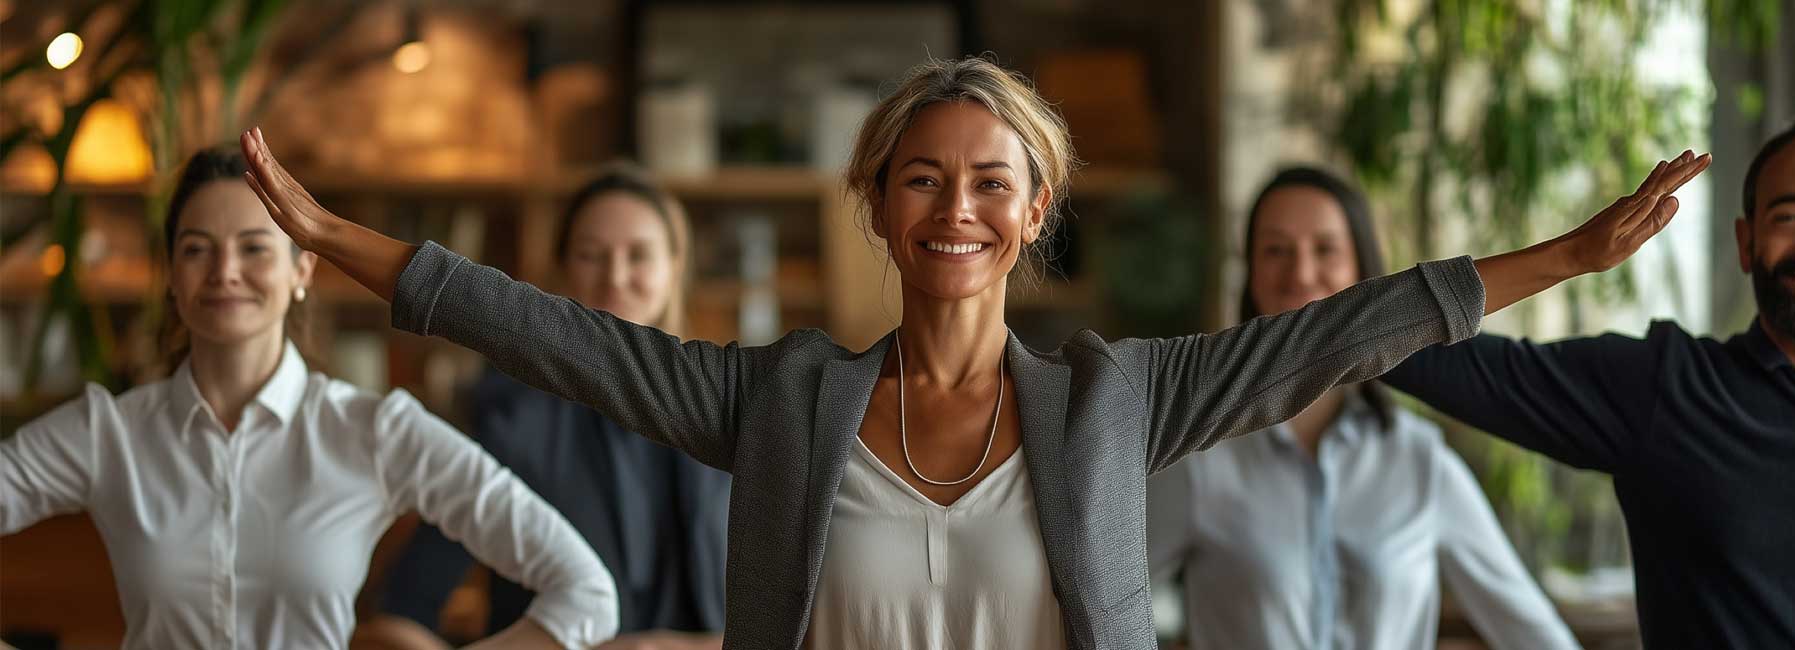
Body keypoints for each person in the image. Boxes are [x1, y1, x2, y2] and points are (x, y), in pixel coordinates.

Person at [236, 57, 1705, 649]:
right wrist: (335, 238)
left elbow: (1345, 325)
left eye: (989, 180)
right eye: (922, 177)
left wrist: (1560, 261)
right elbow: (549, 336)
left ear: (1032, 212)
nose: (955, 206)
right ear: (876, 203)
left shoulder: (1115, 397)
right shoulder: (781, 403)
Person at [0, 149, 617, 649]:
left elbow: (585, 591)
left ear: (302, 272)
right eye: (196, 249)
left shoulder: (374, 431)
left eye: (253, 247)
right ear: (172, 279)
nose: (224, 272)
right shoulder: (108, 431)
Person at [1382, 113, 1795, 647]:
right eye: (1788, 217)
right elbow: (1410, 351)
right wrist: (1568, 255)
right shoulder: (1665, 388)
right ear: (1746, 242)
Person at [1148, 167, 1579, 650]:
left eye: (1326, 249)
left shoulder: (1420, 462)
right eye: (1275, 251)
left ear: (1364, 275)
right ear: (1250, 274)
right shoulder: (1199, 462)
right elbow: (1099, 602)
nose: (1301, 273)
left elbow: (1536, 635)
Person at [362, 165, 729, 650]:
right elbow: (399, 617)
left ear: (674, 268)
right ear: (562, 270)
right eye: (590, 255)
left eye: (638, 255)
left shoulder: (731, 414)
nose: (616, 277)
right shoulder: (509, 421)